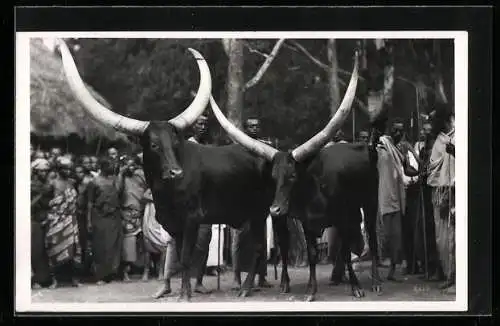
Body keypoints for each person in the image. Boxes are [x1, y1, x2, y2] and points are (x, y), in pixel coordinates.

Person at [231, 117, 273, 290]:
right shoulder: (238, 148)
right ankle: (236, 277)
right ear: (245, 129)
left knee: (260, 239)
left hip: (260, 198)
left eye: (257, 126)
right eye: (251, 126)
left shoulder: (266, 147)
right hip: (241, 198)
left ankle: (261, 276)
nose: (254, 129)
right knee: (239, 239)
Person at [376, 119, 418, 281]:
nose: (398, 133)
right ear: (390, 131)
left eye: (401, 131)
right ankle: (379, 269)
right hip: (383, 196)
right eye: (396, 130)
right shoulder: (381, 146)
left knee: (396, 237)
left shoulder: (398, 151)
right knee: (386, 236)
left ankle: (392, 271)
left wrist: (422, 170)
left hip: (398, 198)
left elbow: (408, 170)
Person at [427, 109, 455, 292]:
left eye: (432, 120)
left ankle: (455, 277)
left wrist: (455, 152)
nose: (429, 124)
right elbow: (433, 166)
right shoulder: (439, 140)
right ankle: (448, 274)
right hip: (439, 193)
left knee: (452, 236)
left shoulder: (456, 137)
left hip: (453, 193)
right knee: (442, 237)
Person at [44, 156, 82, 288]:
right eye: (64, 169)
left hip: (71, 219)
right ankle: (55, 280)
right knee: (54, 249)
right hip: (56, 220)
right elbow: (45, 200)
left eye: (69, 168)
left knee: (73, 249)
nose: (68, 171)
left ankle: (74, 279)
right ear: (59, 170)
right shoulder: (52, 183)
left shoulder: (72, 182)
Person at [86, 158, 123, 284]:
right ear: (103, 166)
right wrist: (89, 222)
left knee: (112, 246)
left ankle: (110, 274)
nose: (112, 168)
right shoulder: (94, 182)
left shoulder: (113, 180)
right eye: (110, 165)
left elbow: (118, 192)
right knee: (100, 247)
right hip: (99, 217)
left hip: (113, 217)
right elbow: (90, 203)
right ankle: (100, 276)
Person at [117, 155, 148, 281]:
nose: (131, 167)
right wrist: (121, 172)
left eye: (132, 165)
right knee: (128, 244)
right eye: (128, 165)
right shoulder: (121, 177)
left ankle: (147, 271)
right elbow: (117, 190)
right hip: (127, 213)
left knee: (146, 243)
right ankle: (125, 272)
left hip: (143, 212)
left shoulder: (140, 174)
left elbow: (147, 188)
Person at [31, 158, 53, 288]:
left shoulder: (50, 184)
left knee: (48, 249)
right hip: (35, 219)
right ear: (36, 171)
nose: (44, 173)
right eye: (41, 171)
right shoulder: (30, 185)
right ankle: (38, 279)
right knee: (37, 250)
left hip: (48, 217)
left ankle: (47, 278)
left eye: (46, 171)